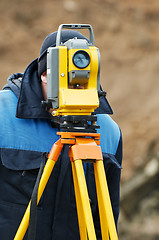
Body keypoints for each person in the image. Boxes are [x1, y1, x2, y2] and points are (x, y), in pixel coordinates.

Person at [0, 29, 122, 240]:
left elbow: (106, 217)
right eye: (66, 74)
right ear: (44, 74)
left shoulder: (109, 132)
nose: (75, 83)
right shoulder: (3, 114)